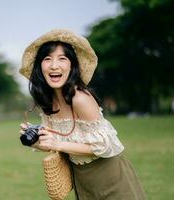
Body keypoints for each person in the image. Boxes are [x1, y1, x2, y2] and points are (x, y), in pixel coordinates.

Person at [19, 29, 147, 200]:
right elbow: (59, 143)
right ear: (39, 66)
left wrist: (57, 144)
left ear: (72, 65)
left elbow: (103, 146)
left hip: (110, 177)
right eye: (47, 59)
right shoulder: (48, 103)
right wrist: (36, 142)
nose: (54, 65)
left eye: (62, 59)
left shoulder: (80, 98)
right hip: (82, 180)